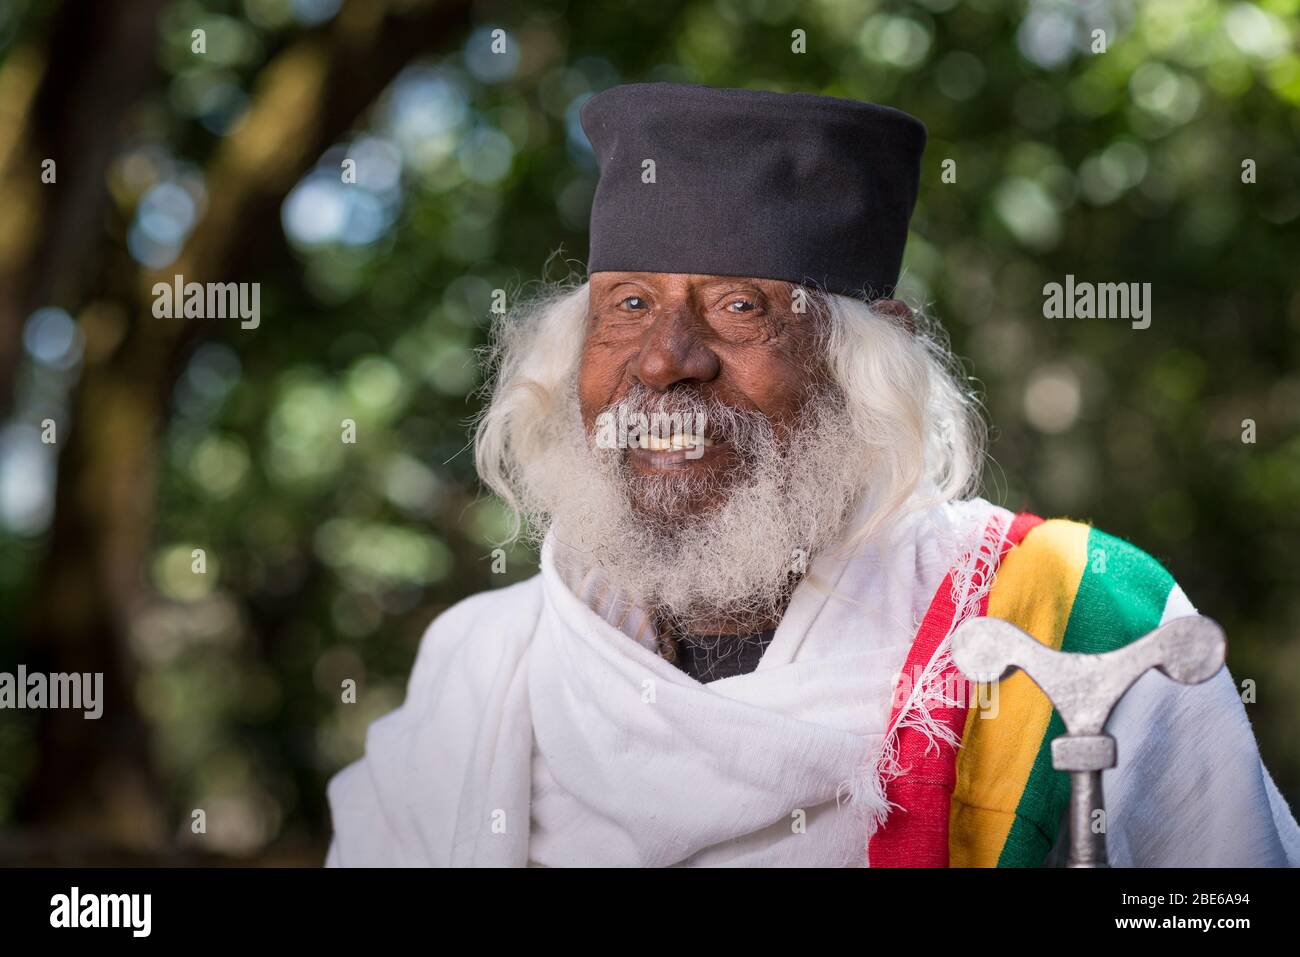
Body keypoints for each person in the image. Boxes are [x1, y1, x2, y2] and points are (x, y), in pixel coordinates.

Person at [326, 83, 1300, 867]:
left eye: (743, 308)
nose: (665, 359)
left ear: (862, 365)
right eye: (625, 303)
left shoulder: (1081, 625)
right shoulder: (479, 666)